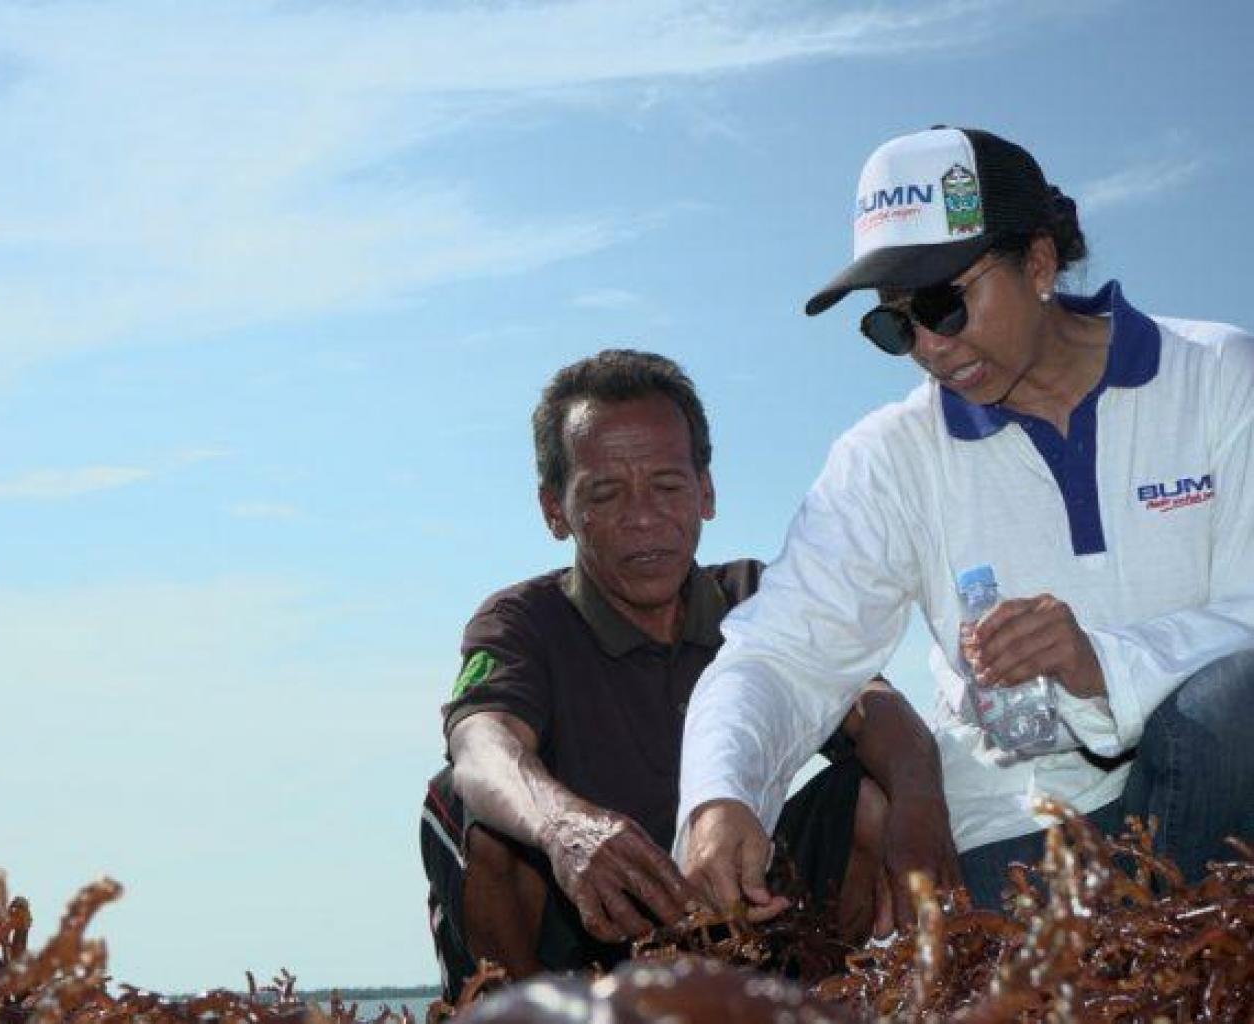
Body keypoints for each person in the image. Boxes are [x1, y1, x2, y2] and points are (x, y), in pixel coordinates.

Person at [678, 126, 1254, 913]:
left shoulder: (1220, 377)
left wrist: (1104, 663)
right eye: (894, 324)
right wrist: (721, 793)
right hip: (1016, 832)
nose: (929, 347)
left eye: (945, 305)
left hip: (1220, 789)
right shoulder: (889, 457)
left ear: (1040, 263)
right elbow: (782, 655)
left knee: (1236, 701)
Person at [419, 350, 955, 1000]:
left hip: (740, 917)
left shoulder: (756, 597)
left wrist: (921, 810)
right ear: (555, 509)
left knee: (875, 796)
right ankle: (515, 1014)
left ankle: (807, 1008)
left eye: (668, 486)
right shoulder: (521, 622)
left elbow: (878, 711)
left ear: (707, 492)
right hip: (579, 933)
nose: (643, 516)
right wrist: (566, 829)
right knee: (468, 808)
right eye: (604, 493)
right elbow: (481, 747)